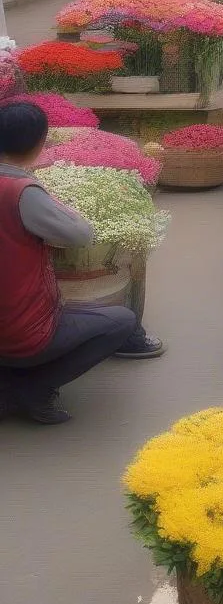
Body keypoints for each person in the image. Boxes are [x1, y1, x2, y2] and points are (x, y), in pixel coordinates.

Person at [0, 102, 158, 424]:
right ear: (40, 144)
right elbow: (81, 234)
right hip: (20, 334)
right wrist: (50, 198)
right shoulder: (20, 192)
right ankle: (32, 388)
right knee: (121, 321)